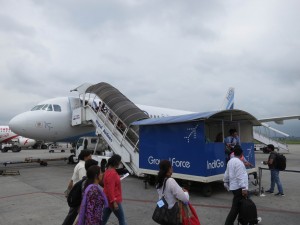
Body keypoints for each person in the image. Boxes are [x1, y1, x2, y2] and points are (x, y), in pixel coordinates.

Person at [224, 145, 255, 225]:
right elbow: (240, 176)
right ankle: (230, 223)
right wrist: (244, 188)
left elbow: (226, 173)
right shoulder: (239, 163)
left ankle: (244, 220)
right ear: (241, 154)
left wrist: (225, 182)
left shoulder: (230, 161)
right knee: (236, 208)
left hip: (234, 187)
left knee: (239, 206)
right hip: (239, 188)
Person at [62, 150, 92, 225]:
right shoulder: (83, 167)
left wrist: (68, 191)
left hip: (76, 194)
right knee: (73, 215)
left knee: (73, 215)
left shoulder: (79, 164)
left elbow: (72, 180)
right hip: (79, 195)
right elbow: (83, 183)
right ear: (85, 157)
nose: (91, 157)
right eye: (90, 156)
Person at [102, 154, 127, 225]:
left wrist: (117, 177)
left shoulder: (108, 170)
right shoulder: (112, 173)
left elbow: (108, 184)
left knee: (103, 220)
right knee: (122, 220)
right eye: (119, 162)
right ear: (116, 162)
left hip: (107, 199)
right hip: (113, 200)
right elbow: (110, 188)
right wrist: (114, 201)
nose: (120, 163)